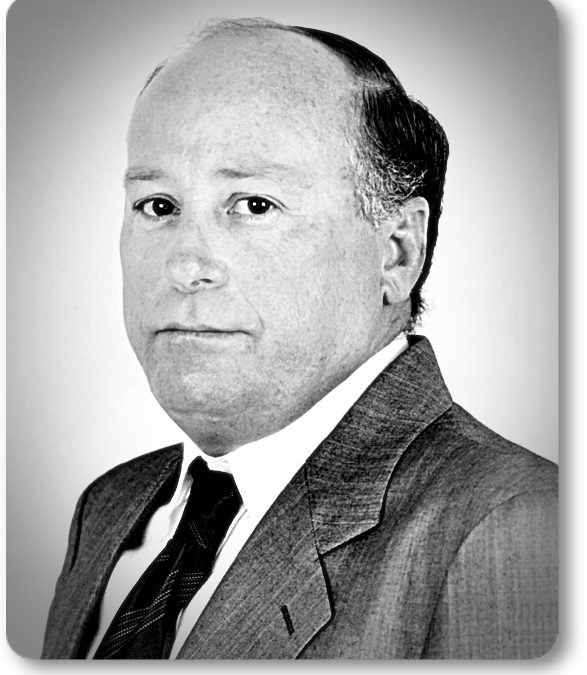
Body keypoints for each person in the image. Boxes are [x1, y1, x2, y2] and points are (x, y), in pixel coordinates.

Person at [42, 18, 557, 659]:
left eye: (254, 205)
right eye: (158, 206)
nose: (186, 266)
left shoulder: (515, 522)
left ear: (397, 251)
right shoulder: (109, 508)